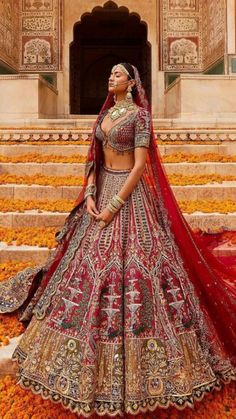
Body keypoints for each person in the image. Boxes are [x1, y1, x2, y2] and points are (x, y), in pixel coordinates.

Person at [0, 63, 235, 417]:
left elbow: (140, 166)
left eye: (117, 74)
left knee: (143, 265)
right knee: (86, 267)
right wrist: (92, 192)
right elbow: (95, 157)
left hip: (128, 195)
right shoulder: (107, 113)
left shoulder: (139, 117)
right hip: (102, 190)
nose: (111, 77)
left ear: (131, 82)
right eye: (108, 73)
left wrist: (113, 204)